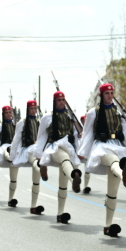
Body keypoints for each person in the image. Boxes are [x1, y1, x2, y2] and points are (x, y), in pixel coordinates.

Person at [78, 83, 126, 237]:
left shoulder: (119, 113)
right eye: (107, 93)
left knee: (112, 192)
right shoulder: (94, 112)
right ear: (101, 95)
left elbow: (125, 131)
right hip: (102, 146)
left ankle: (107, 226)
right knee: (113, 161)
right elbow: (87, 133)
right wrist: (83, 152)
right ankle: (125, 174)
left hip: (118, 145)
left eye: (112, 93)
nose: (110, 96)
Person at [34, 91, 83, 223]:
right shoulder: (47, 117)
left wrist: (79, 143)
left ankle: (60, 214)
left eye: (63, 100)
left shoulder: (70, 117)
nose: (61, 102)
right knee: (64, 158)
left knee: (63, 184)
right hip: (54, 147)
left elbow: (75, 134)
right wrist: (39, 156)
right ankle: (74, 179)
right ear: (54, 102)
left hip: (68, 146)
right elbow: (42, 136)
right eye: (59, 100)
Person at [10, 100, 47, 215]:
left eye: (35, 108)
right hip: (27, 149)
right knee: (36, 161)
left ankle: (33, 206)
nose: (33, 111)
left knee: (36, 181)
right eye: (31, 108)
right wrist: (12, 155)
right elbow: (16, 139)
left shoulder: (39, 122)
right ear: (27, 109)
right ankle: (41, 168)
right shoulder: (22, 122)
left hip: (37, 148)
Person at [0, 106, 20, 206]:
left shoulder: (16, 125)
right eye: (6, 112)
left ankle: (11, 199)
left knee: (14, 178)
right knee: (8, 154)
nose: (8, 114)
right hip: (3, 149)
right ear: (3, 114)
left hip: (13, 148)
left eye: (9, 112)